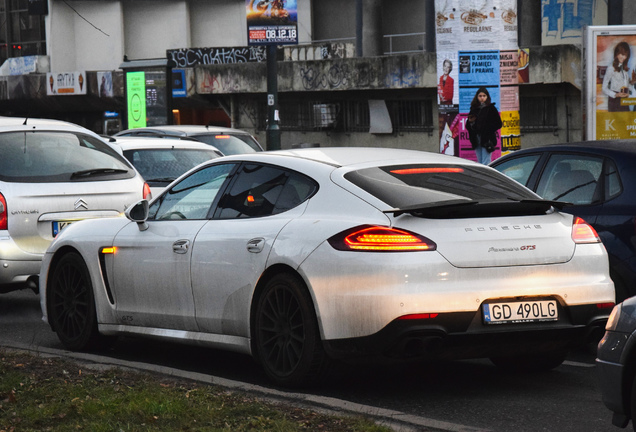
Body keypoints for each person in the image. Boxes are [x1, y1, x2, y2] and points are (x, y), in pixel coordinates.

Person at [466, 87, 502, 165]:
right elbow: (467, 126)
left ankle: (486, 177)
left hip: (487, 138)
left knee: (486, 162)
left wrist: (488, 129)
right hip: (476, 138)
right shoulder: (473, 108)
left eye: (484, 96)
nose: (482, 98)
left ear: (487, 97)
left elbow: (498, 123)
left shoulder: (491, 108)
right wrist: (471, 122)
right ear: (477, 97)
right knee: (480, 161)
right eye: (480, 96)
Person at [602, 41, 635, 112]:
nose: (624, 57)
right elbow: (604, 88)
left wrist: (632, 83)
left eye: (625, 55)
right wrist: (616, 95)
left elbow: (626, 85)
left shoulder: (624, 69)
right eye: (622, 54)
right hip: (615, 101)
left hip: (624, 99)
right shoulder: (611, 68)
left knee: (626, 122)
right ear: (616, 53)